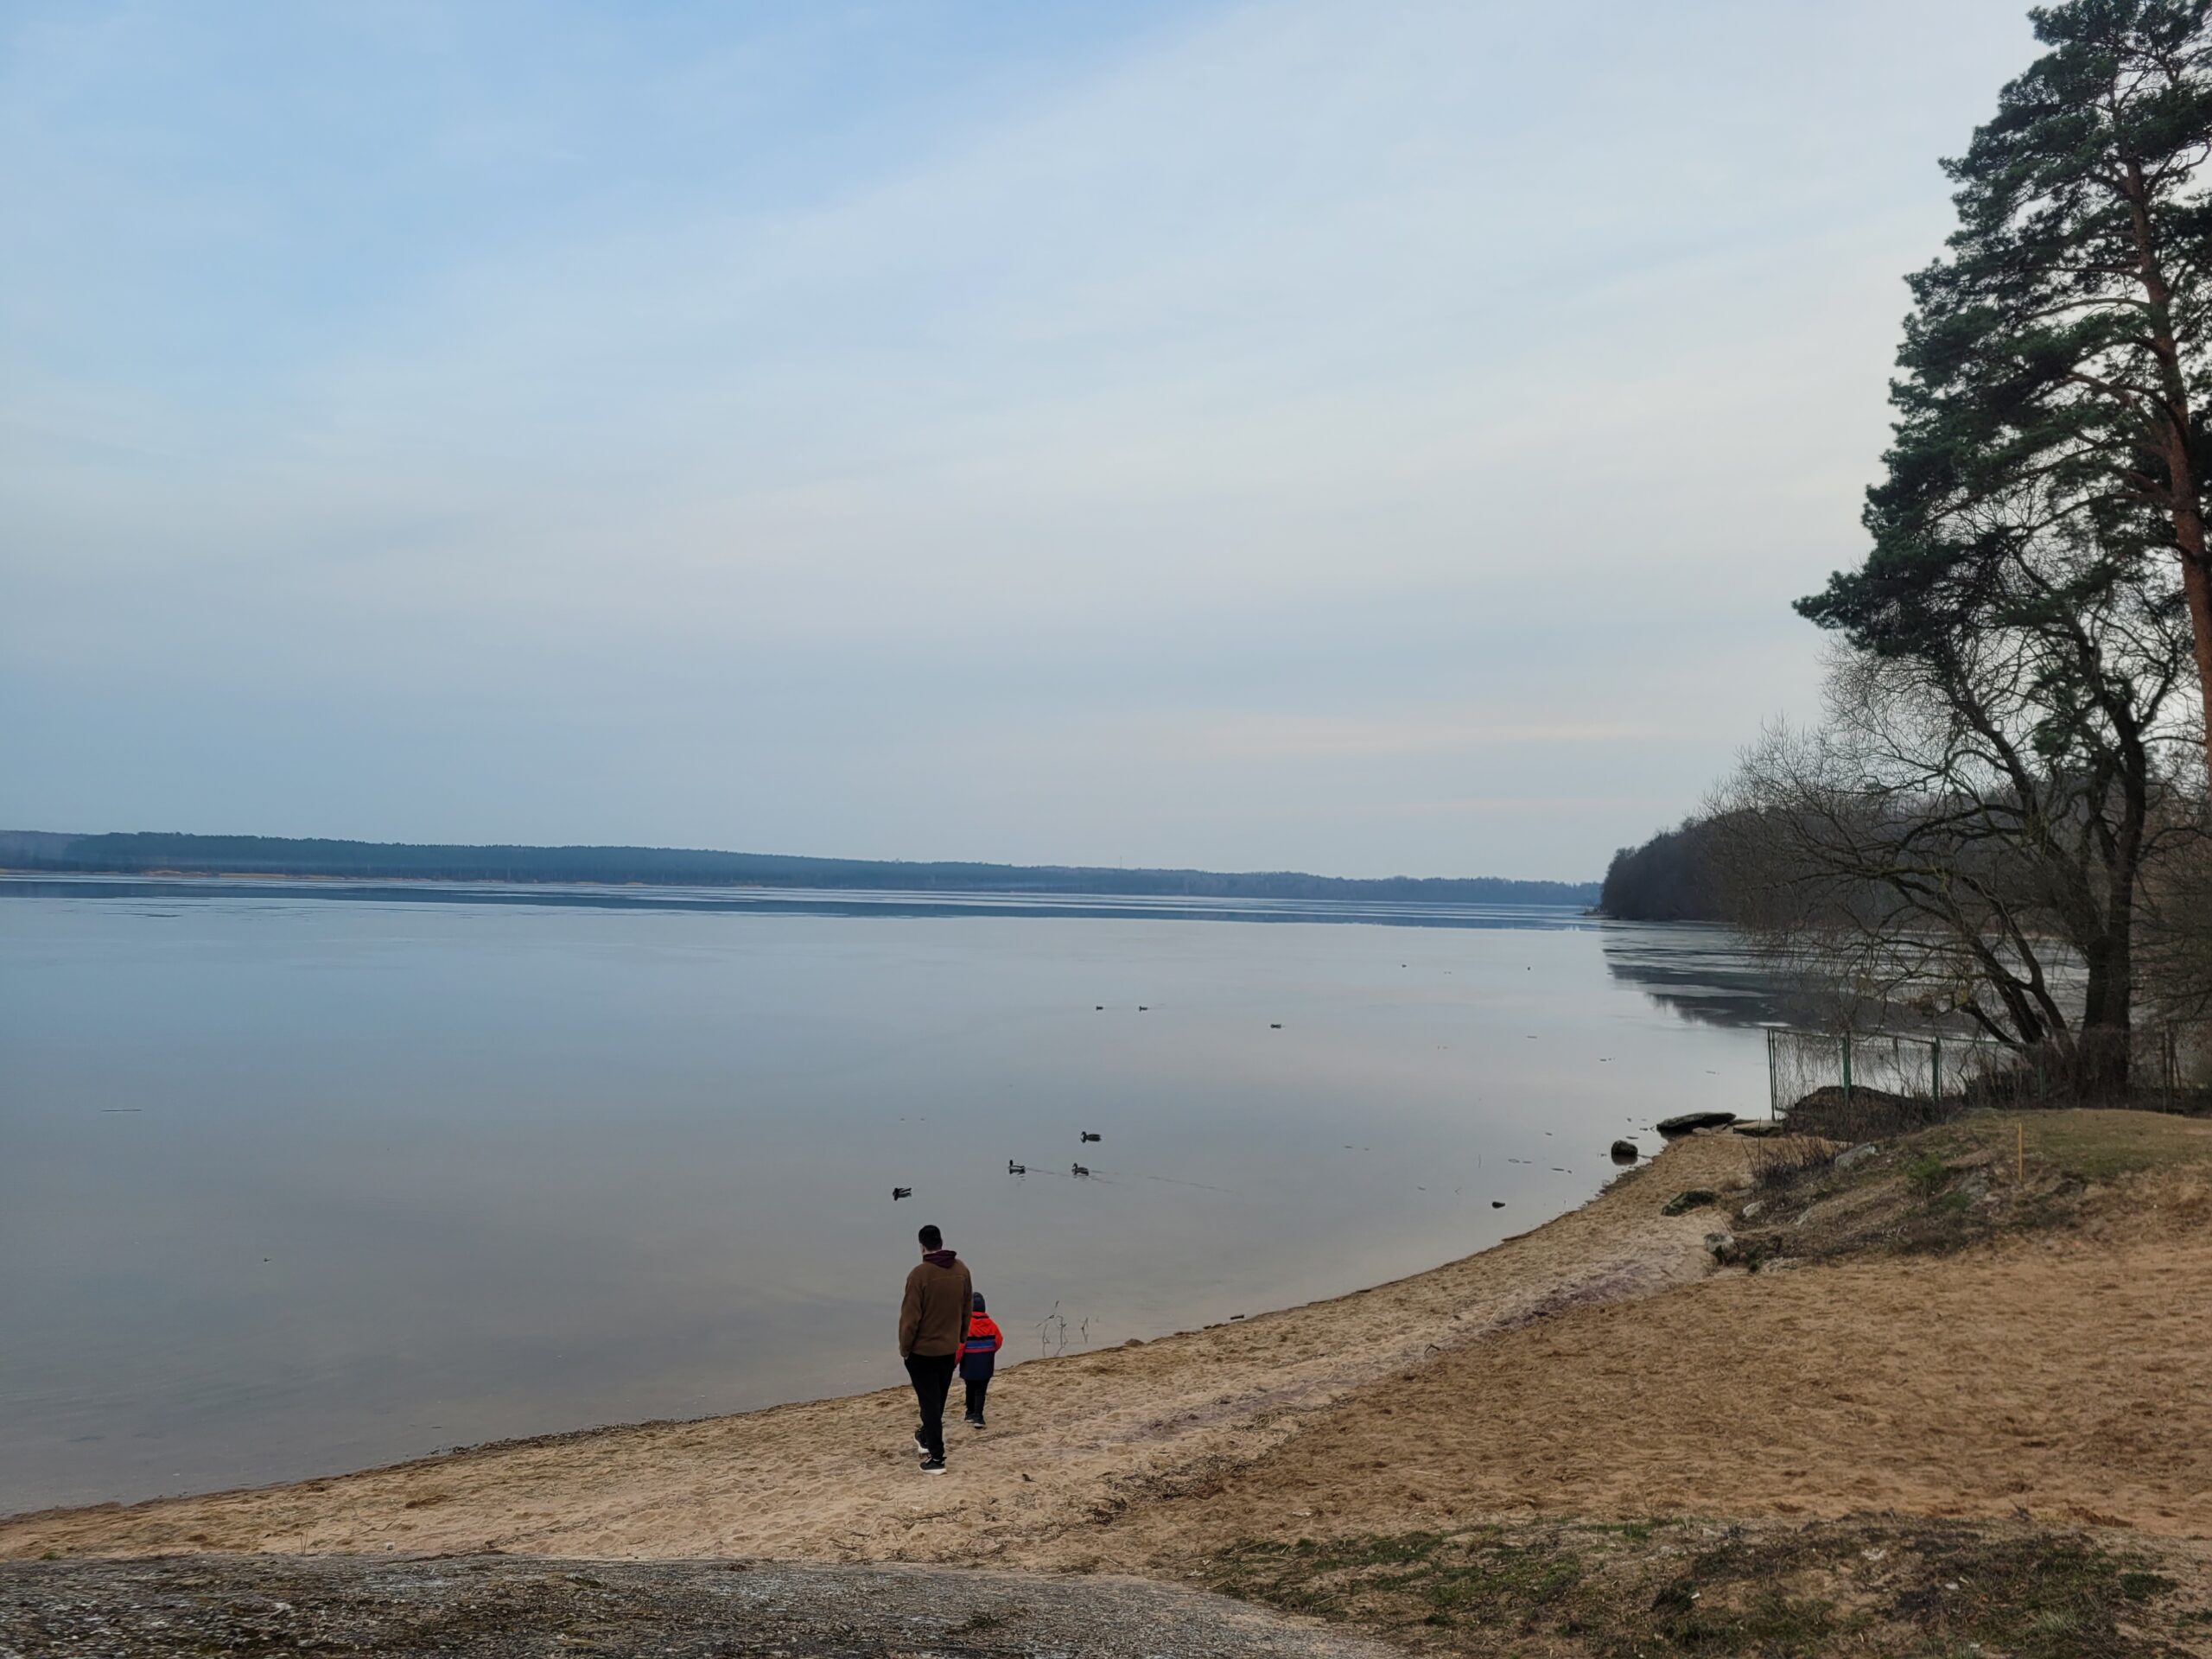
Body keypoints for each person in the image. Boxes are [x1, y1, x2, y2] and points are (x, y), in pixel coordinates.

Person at [897, 1223, 971, 1474]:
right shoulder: (961, 1270)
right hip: (949, 1349)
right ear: (941, 1242)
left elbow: (910, 1318)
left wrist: (905, 1348)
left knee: (930, 1404)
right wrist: (961, 1337)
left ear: (922, 1247)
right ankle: (926, 1437)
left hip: (923, 1352)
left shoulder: (919, 1275)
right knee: (936, 1400)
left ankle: (936, 1458)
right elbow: (967, 1307)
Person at [957, 1291, 1002, 1428]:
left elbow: (960, 1347)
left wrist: (955, 1362)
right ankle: (978, 1416)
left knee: (970, 1387)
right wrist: (990, 1351)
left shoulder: (965, 1326)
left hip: (969, 1364)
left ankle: (970, 1413)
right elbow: (999, 1341)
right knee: (980, 1391)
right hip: (985, 1363)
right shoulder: (992, 1325)